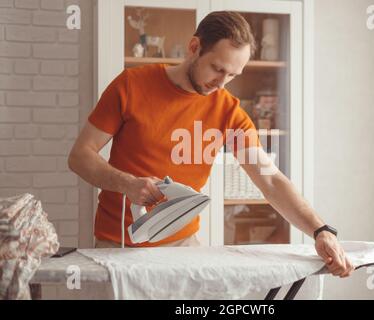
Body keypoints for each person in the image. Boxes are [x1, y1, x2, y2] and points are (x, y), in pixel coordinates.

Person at [68, 11, 354, 278]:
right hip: (117, 244)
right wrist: (128, 183)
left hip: (184, 245)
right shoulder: (131, 85)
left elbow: (271, 181)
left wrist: (321, 230)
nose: (221, 84)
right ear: (194, 47)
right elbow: (80, 156)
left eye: (232, 75)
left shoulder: (228, 111)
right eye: (217, 69)